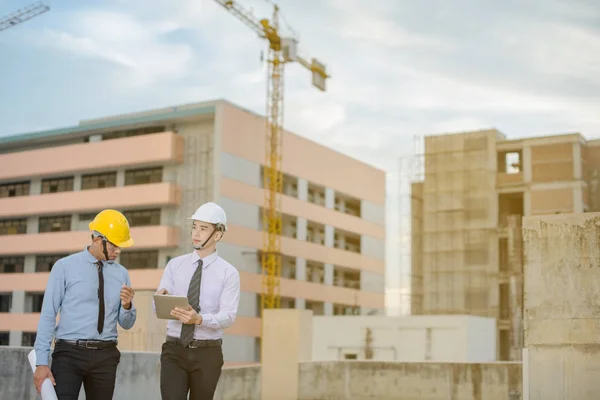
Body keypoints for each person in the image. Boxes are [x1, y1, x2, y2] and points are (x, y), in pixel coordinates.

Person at [33, 209, 137, 400]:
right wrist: (41, 362)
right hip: (68, 355)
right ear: (98, 240)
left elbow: (126, 323)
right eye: (114, 246)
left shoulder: (122, 273)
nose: (118, 251)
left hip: (106, 356)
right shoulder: (64, 267)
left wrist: (127, 305)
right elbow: (48, 314)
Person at [156, 201, 241, 400]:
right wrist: (161, 299)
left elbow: (228, 316)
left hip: (207, 353)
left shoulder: (229, 273)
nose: (196, 233)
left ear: (217, 235)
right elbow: (156, 307)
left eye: (203, 229)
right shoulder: (174, 266)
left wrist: (199, 319)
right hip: (174, 350)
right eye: (194, 227)